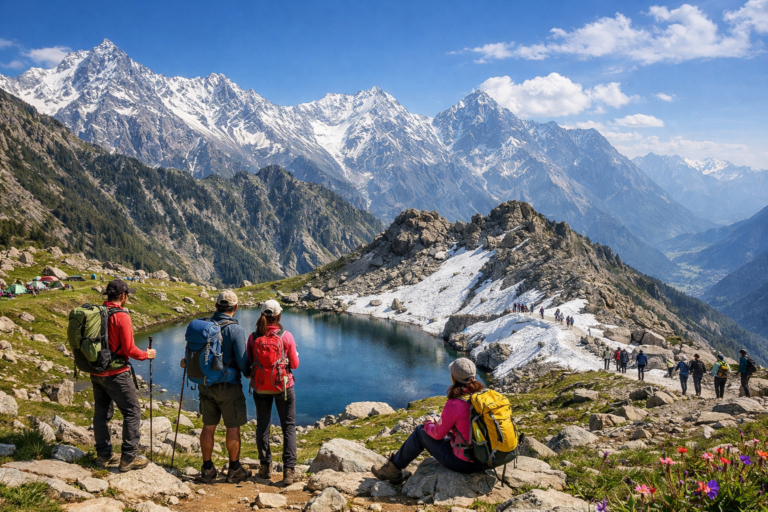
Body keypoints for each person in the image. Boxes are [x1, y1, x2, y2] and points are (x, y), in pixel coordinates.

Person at [371, 358, 488, 484]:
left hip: (465, 462)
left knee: (419, 432)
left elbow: (437, 435)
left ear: (453, 377)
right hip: (486, 459)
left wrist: (429, 423)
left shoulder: (456, 403)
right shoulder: (485, 396)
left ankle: (393, 470)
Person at [180, 290, 251, 484]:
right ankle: (235, 469)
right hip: (229, 387)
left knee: (208, 427)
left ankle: (207, 469)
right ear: (235, 308)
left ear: (216, 306)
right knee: (233, 428)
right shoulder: (235, 330)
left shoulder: (204, 326)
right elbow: (243, 362)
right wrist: (250, 374)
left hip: (205, 385)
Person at [91, 279, 156, 472]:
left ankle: (103, 455)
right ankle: (128, 458)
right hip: (116, 373)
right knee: (132, 411)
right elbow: (129, 349)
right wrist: (146, 355)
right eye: (127, 295)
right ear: (123, 296)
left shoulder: (96, 313)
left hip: (96, 371)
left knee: (101, 412)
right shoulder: (122, 317)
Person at [248, 299, 300, 485]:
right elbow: (294, 364)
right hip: (284, 387)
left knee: (262, 426)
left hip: (260, 387)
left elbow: (248, 366)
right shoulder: (286, 336)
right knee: (288, 427)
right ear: (279, 316)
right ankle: (288, 472)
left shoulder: (253, 337)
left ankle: (265, 468)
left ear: (262, 315)